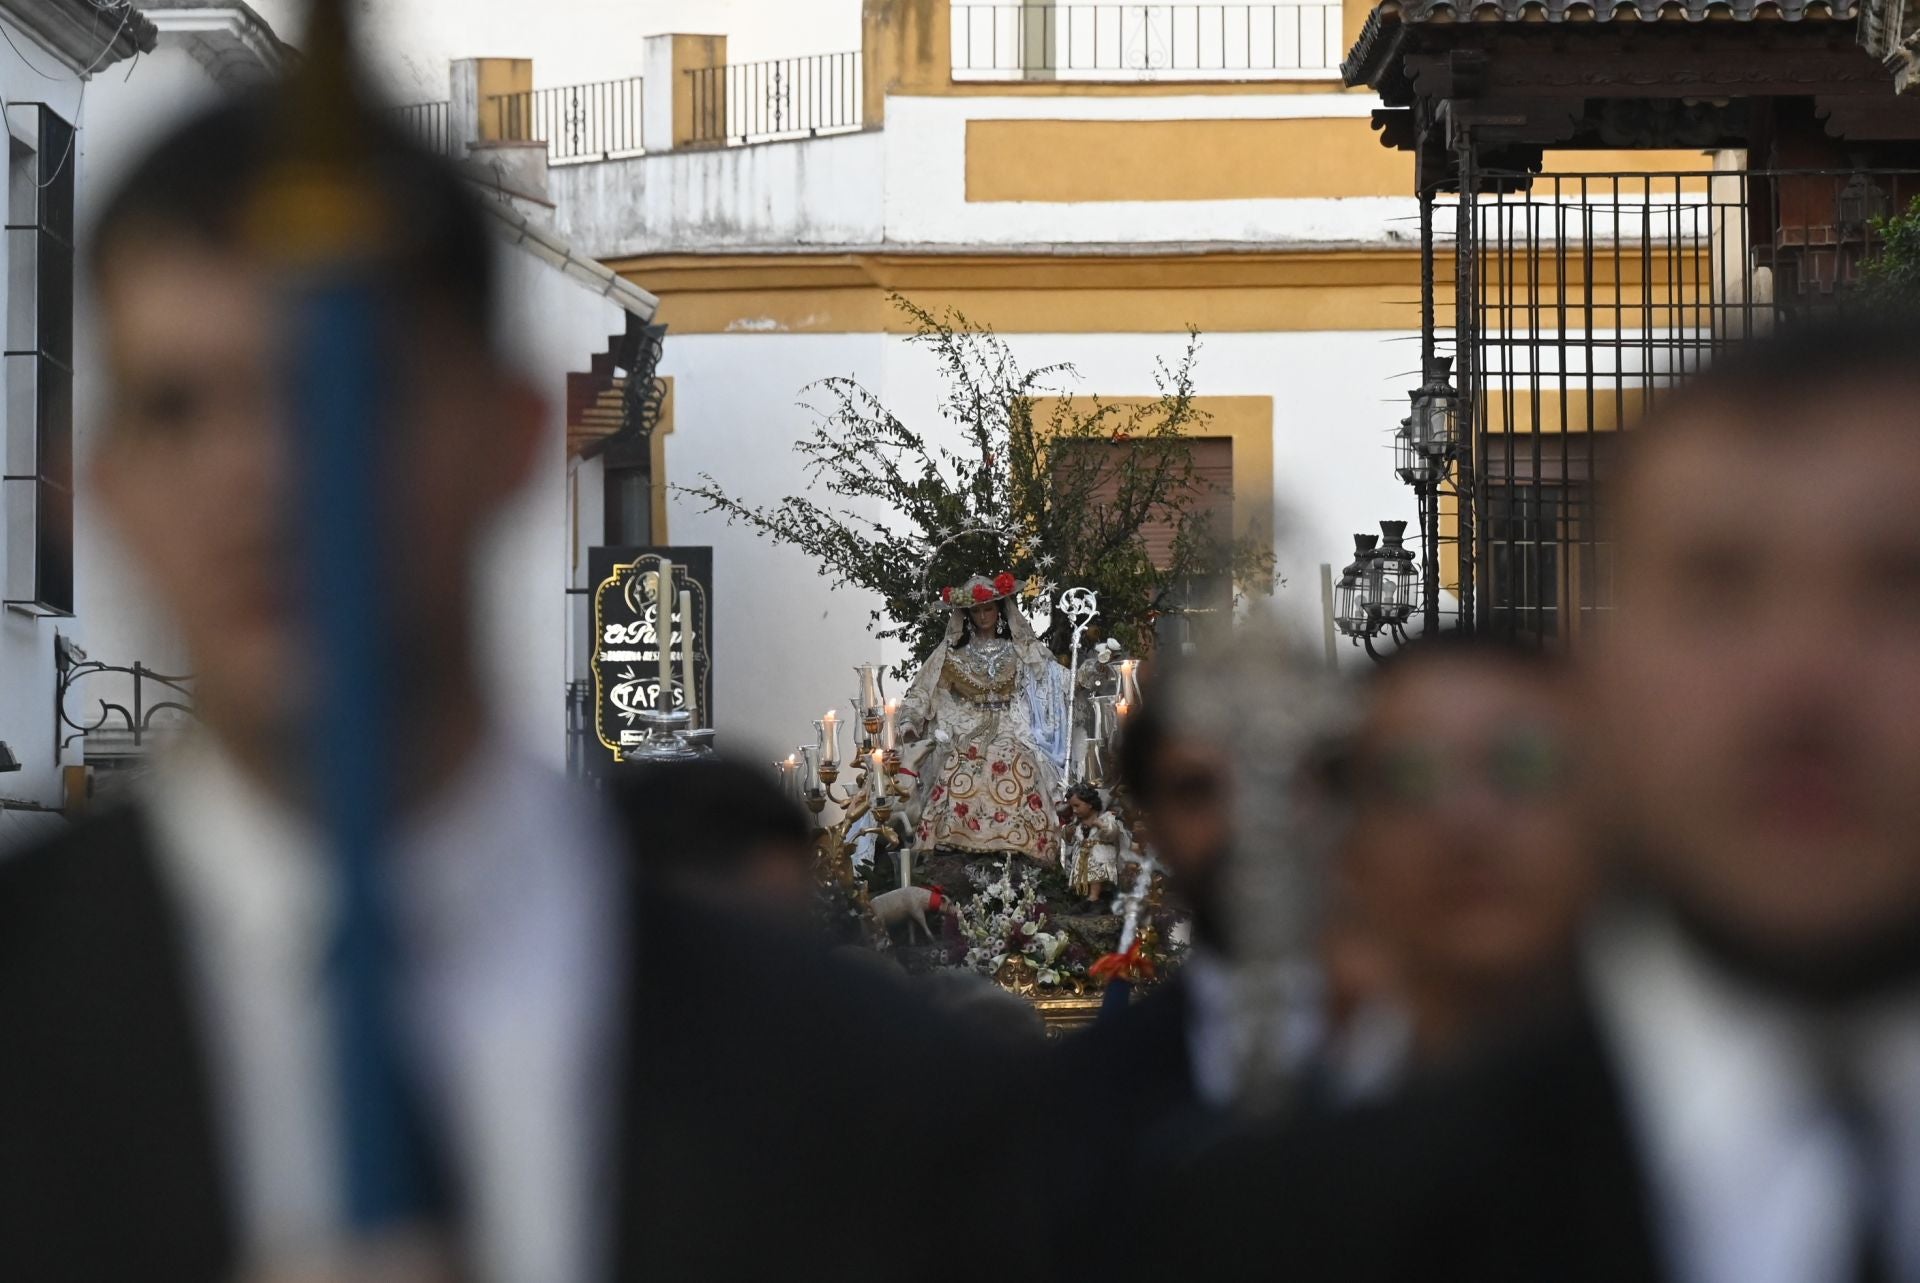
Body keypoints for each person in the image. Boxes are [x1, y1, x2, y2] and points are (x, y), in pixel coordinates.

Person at [0, 76, 1033, 1283]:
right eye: (181, 408)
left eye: (344, 389)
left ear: (510, 433)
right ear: (97, 480)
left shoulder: (871, 1096)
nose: (262, 477)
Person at [1152, 311, 1920, 1283]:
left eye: (1897, 586)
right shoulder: (1296, 1230)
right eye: (1718, 588)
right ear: (1596, 659)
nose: (1803, 678)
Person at [1324, 632, 1594, 1100]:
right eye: (1410, 777)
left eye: (1523, 764)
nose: (1468, 821)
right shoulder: (1303, 1126)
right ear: (1352, 854)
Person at [897, 574, 1070, 865]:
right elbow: (923, 690)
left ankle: (1022, 844)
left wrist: (1086, 674)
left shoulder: (1019, 649)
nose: (983, 616)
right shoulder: (951, 655)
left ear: (999, 609)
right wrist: (909, 722)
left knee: (1017, 762)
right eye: (976, 610)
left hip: (1012, 724)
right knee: (960, 763)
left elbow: (1052, 677)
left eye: (988, 608)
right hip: (968, 725)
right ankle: (954, 841)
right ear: (967, 614)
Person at [1062, 782, 1128, 906]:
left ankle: (1094, 897)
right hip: (1082, 855)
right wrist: (1068, 834)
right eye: (1072, 807)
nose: (1074, 811)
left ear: (1090, 804)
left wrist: (1101, 825)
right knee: (1083, 876)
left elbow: (1112, 833)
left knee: (1095, 872)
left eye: (1077, 806)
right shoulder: (1077, 822)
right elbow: (1071, 840)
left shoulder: (1106, 817)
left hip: (1099, 854)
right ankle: (1084, 897)